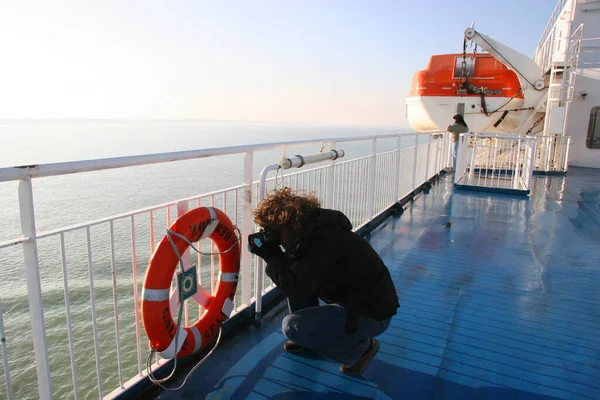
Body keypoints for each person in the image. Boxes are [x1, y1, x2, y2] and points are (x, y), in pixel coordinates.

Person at [248, 187, 399, 376]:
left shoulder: (323, 243)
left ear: (288, 225)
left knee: (292, 326)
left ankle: (361, 350)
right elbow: (299, 279)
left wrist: (273, 258)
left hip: (373, 314)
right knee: (292, 276)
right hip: (355, 300)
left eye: (273, 231)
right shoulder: (311, 233)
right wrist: (276, 255)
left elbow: (299, 291)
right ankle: (309, 340)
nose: (271, 236)